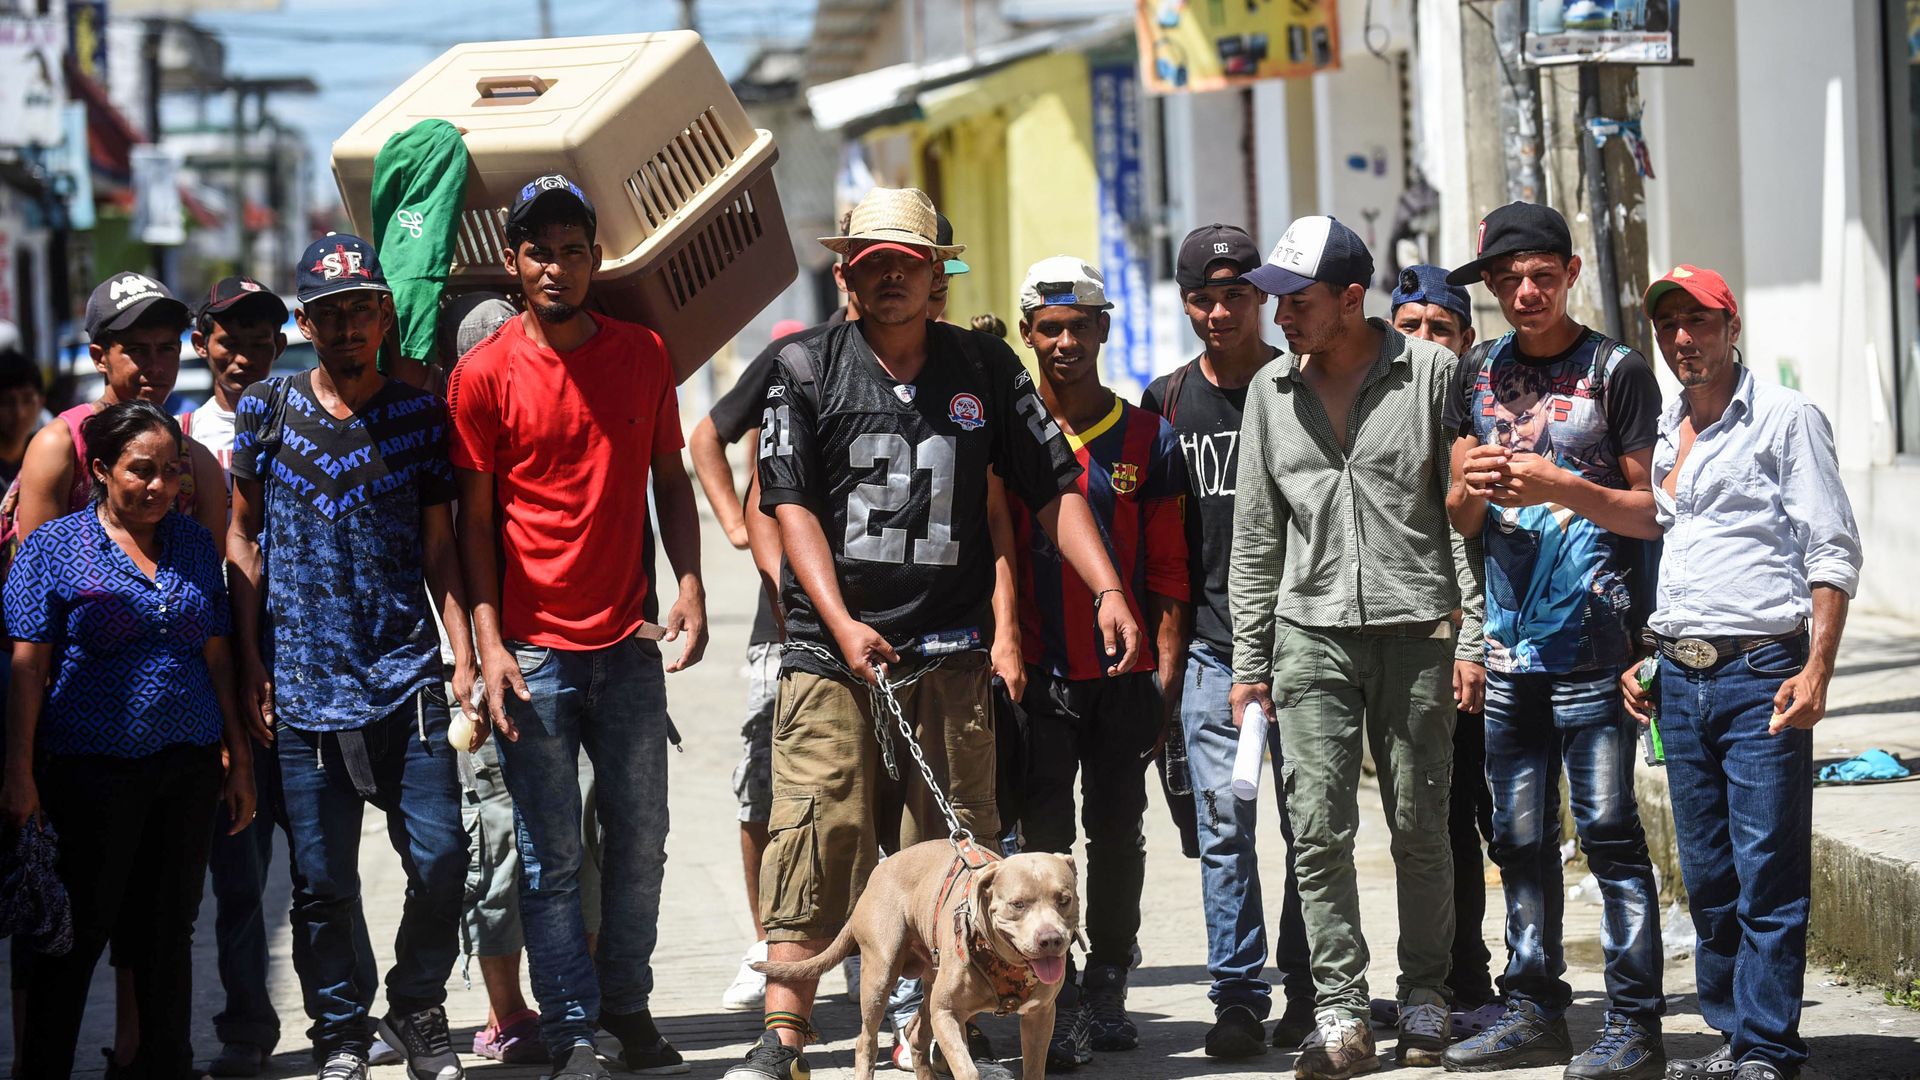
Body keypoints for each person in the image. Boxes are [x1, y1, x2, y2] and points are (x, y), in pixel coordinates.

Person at [726, 187, 1140, 1080]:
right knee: (815, 832)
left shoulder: (986, 369)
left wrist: (1104, 584)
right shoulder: (805, 369)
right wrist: (839, 624)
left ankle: (953, 1020)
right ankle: (785, 1034)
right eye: (869, 263)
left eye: (904, 264)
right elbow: (787, 502)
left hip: (949, 654)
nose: (886, 278)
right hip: (829, 653)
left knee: (963, 849)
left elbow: (1052, 487)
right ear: (846, 273)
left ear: (936, 279)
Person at [452, 174, 707, 1080]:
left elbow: (670, 481)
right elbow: (472, 524)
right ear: (512, 264)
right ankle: (568, 1029)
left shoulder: (642, 353)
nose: (555, 266)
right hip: (534, 653)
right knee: (549, 854)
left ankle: (628, 1010)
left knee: (640, 841)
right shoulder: (481, 376)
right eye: (537, 250)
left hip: (628, 644)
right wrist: (487, 646)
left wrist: (690, 581)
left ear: (596, 258)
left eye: (571, 248)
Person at [1228, 215, 1485, 1079]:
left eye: (1296, 301)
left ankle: (1425, 997)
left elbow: (1459, 518)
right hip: (1309, 639)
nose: (1280, 317)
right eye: (1275, 302)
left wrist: (1470, 636)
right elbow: (1257, 536)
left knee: (1422, 825)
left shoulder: (1434, 374)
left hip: (1417, 632)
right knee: (1317, 831)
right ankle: (1340, 1010)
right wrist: (1250, 664)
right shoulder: (1270, 394)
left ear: (1350, 297)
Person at [228, 234, 476, 1080]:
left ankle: (417, 1003)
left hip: (406, 674)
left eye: (360, 309)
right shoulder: (266, 409)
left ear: (384, 315)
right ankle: (340, 1031)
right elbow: (243, 533)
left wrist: (464, 651)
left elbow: (440, 546)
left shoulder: (416, 416)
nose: (345, 327)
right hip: (300, 683)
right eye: (328, 314)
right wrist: (252, 663)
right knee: (321, 882)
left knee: (444, 859)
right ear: (305, 323)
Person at [1441, 203, 1667, 1080]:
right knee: (1518, 839)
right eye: (1508, 279)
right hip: (1508, 654)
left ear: (1570, 274)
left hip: (1598, 649)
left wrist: (1561, 486)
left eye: (1541, 274)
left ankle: (1636, 1024)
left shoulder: (1616, 370)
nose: (1525, 292)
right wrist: (1475, 483)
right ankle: (1533, 1009)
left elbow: (1653, 515)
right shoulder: (1477, 372)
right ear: (1492, 288)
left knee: (1610, 834)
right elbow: (1459, 516)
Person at [1621, 266, 1862, 1080]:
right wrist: (1649, 655)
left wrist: (1818, 668)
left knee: (1767, 872)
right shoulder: (1665, 427)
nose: (1682, 340)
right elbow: (1682, 551)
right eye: (1668, 327)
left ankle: (1767, 1046)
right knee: (1710, 875)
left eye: (1698, 322)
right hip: (1680, 685)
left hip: (1762, 673)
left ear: (1732, 327)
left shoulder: (1787, 419)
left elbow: (1831, 549)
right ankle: (1733, 1037)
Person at [1, 400, 255, 1079]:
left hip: (187, 769)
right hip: (88, 774)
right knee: (74, 939)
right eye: (141, 471)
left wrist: (238, 757)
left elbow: (218, 654)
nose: (159, 486)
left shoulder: (195, 544)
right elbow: (29, 668)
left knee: (168, 938)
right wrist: (19, 774)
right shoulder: (53, 548)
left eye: (171, 473)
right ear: (102, 468)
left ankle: (165, 1068)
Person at [1006, 256, 1188, 1069]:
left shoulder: (1148, 436)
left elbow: (1171, 571)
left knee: (1119, 832)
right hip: (1038, 675)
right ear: (1027, 335)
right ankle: (1061, 990)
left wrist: (1167, 671)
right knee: (1042, 841)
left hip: (1124, 680)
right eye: (1050, 329)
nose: (1066, 341)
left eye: (1081, 326)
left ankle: (1110, 978)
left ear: (1105, 330)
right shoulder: (1006, 439)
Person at [1140, 223, 1316, 1059]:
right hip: (1212, 650)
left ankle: (1310, 985)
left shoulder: (1302, 388)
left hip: (1309, 647)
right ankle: (1239, 997)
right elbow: (1154, 539)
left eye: (1234, 296)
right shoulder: (1167, 401)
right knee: (1225, 829)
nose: (1218, 313)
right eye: (1202, 299)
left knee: (1311, 825)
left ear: (1262, 300)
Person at [1383, 266, 1504, 1036]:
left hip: (1494, 649)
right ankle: (1462, 975)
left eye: (1440, 328)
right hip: (1420, 652)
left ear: (1463, 341)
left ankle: (1525, 980)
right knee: (1444, 819)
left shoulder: (1489, 413)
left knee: (1511, 827)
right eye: (1410, 328)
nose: (1426, 341)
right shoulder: (1374, 411)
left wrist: (1476, 640)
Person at [181, 275, 295, 1078]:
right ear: (203, 343)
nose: (244, 353)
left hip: (305, 670)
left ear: (281, 346)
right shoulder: (177, 443)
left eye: (260, 339)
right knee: (241, 874)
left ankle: (347, 1020)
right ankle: (247, 1030)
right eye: (229, 337)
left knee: (324, 870)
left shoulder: (302, 419)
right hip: (219, 680)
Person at [8, 272, 225, 549]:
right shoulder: (61, 445)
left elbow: (206, 580)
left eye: (167, 348)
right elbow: (37, 572)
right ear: (100, 357)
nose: (156, 366)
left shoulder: (197, 462)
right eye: (137, 350)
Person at [0, 350, 44, 487]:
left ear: (41, 402)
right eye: (7, 401)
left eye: (27, 400)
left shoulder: (47, 459)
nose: (19, 412)